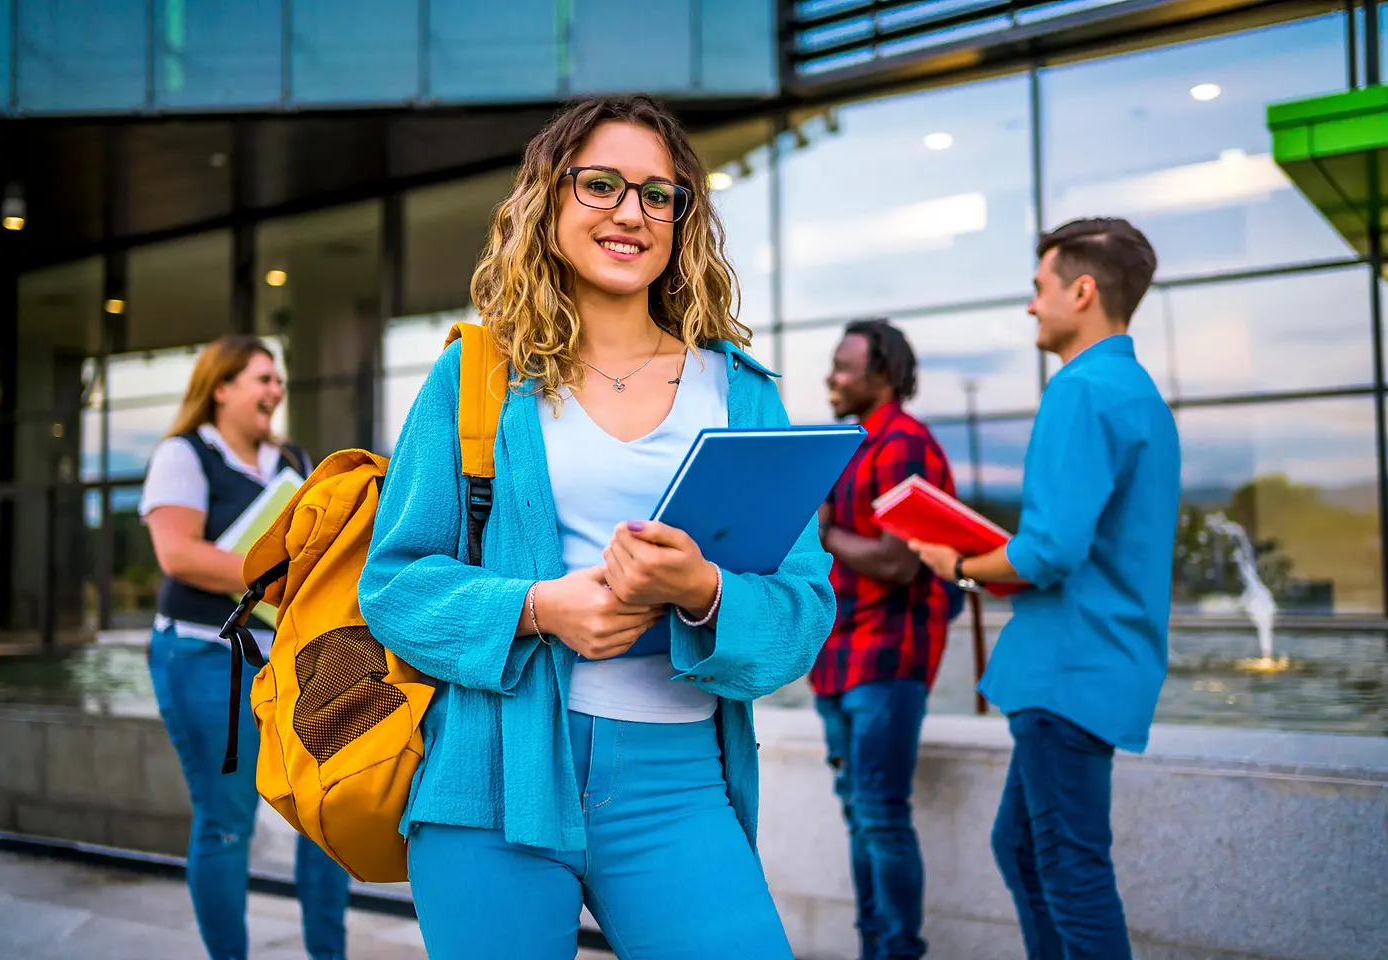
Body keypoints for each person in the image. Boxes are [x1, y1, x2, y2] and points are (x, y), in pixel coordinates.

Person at [358, 95, 835, 960]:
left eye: (660, 194)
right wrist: (539, 607)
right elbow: (393, 584)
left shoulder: (743, 393)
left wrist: (703, 593)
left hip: (679, 784)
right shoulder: (480, 374)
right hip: (490, 778)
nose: (632, 213)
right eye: (602, 184)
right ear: (549, 199)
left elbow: (803, 608)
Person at [911, 218, 1180, 960]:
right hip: (1096, 666)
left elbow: (1050, 551)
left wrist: (960, 565)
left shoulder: (1082, 389)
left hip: (1070, 671)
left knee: (1068, 868)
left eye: (1040, 288)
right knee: (1026, 852)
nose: (1032, 306)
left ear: (1083, 290)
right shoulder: (1135, 390)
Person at [141, 334, 351, 960]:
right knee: (226, 823)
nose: (275, 390)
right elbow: (178, 554)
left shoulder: (291, 457)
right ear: (221, 387)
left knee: (325, 815)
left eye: (278, 379)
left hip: (290, 658)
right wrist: (272, 573)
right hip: (204, 656)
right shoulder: (183, 455)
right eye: (262, 378)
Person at [812, 319, 957, 960]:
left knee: (880, 815)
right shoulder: (851, 444)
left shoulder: (904, 445)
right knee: (859, 813)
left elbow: (900, 563)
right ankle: (877, 948)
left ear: (883, 376)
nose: (831, 378)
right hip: (839, 657)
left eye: (844, 367)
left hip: (887, 656)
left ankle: (897, 952)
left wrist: (821, 532)